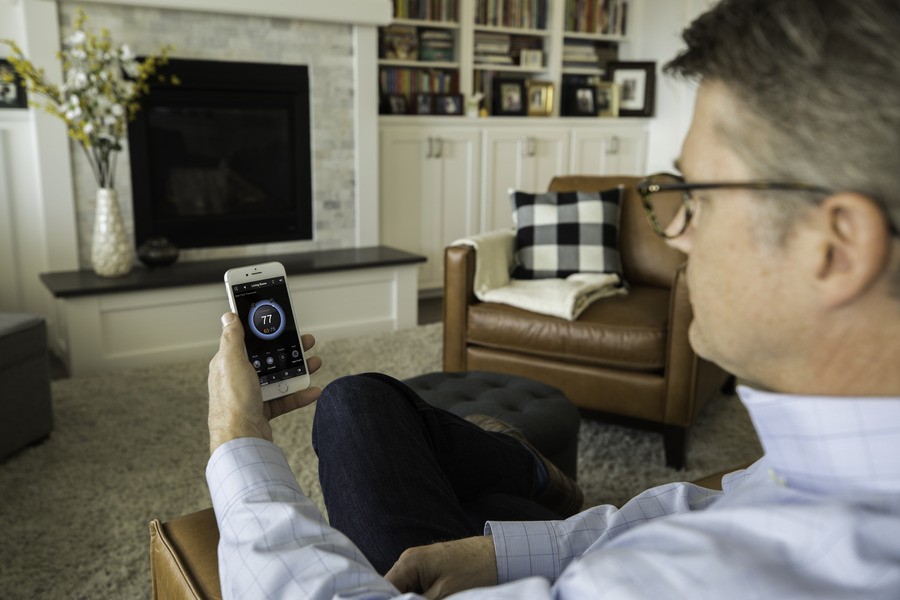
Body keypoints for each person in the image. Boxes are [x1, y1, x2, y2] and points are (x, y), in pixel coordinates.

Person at [206, 0, 900, 597]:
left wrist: (237, 438)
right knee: (366, 405)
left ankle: (525, 467)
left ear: (833, 246)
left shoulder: (690, 580)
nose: (678, 234)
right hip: (528, 535)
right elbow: (704, 505)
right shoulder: (831, 463)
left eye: (695, 197)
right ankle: (529, 471)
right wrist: (505, 551)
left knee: (356, 407)